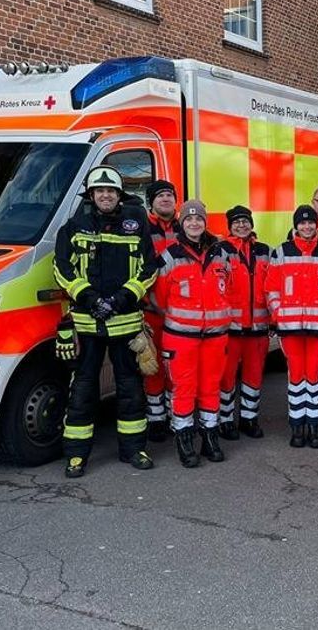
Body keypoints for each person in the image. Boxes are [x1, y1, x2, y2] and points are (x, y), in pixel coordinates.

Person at [54, 165, 158, 478]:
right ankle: (76, 455)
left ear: (119, 195)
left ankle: (134, 449)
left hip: (125, 323)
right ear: (91, 195)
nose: (106, 195)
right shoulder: (74, 227)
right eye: (100, 191)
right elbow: (62, 269)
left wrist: (119, 300)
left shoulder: (135, 226)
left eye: (111, 191)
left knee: (130, 389)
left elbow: (149, 268)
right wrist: (90, 299)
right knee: (82, 391)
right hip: (87, 325)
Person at [157, 200, 233, 467]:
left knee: (211, 387)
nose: (194, 223)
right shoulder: (169, 255)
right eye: (188, 219)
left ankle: (210, 437)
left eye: (198, 218)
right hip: (181, 337)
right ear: (182, 223)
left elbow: (228, 288)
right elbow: (160, 297)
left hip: (215, 336)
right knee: (184, 389)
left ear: (205, 222)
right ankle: (185, 439)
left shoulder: (220, 254)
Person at [265, 205, 318, 449]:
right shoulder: (281, 252)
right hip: (290, 327)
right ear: (295, 225)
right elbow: (271, 288)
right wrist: (278, 312)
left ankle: (314, 425)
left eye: (311, 223)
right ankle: (297, 426)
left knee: (314, 376)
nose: (307, 227)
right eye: (302, 223)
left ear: (317, 225)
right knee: (296, 377)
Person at [215, 205, 271, 440]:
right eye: (236, 222)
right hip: (230, 328)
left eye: (245, 221)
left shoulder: (265, 251)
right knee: (226, 377)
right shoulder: (220, 250)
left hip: (258, 328)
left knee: (253, 376)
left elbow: (272, 285)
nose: (241, 225)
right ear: (230, 227)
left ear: (251, 224)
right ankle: (225, 420)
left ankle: (249, 418)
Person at [142, 180, 181, 442]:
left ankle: (175, 414)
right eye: (160, 196)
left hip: (180, 313)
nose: (166, 199)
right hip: (151, 310)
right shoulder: (142, 229)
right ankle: (156, 419)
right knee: (152, 366)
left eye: (169, 195)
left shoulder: (186, 227)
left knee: (175, 367)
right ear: (151, 202)